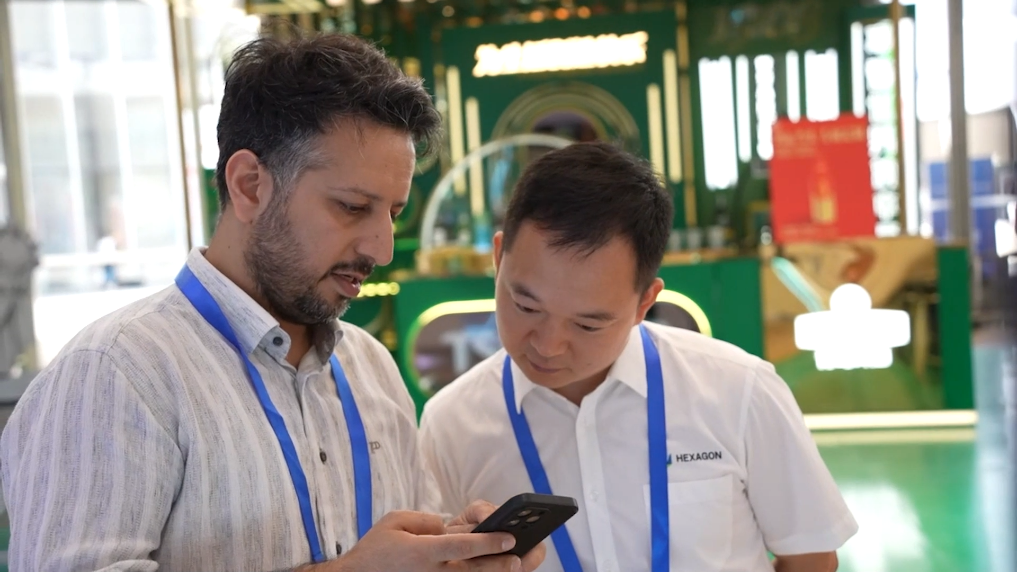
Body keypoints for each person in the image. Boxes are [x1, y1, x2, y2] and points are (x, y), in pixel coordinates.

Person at [0, 33, 544, 572]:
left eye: (393, 214)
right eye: (353, 207)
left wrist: (451, 556)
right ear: (249, 185)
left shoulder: (371, 367)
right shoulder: (115, 374)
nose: (380, 248)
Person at [419, 142, 858, 572]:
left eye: (588, 325)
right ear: (499, 260)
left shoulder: (740, 390)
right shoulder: (451, 425)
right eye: (526, 306)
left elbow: (811, 556)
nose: (548, 345)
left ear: (645, 301)